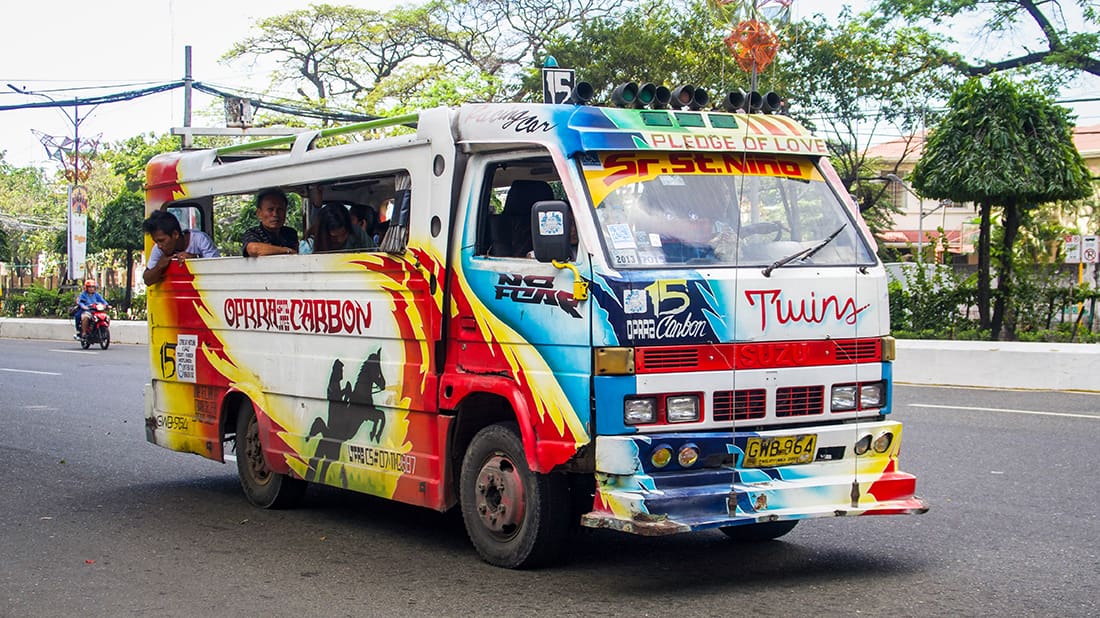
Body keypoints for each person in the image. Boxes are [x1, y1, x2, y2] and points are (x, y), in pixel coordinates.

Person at [141, 210, 220, 285]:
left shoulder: (200, 239)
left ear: (175, 234)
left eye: (162, 240)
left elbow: (216, 270)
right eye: (156, 242)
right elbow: (147, 280)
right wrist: (159, 267)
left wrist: (195, 259)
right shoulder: (158, 248)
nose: (159, 246)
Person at [299, 203, 375, 254]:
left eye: (344, 234)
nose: (340, 240)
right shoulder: (308, 246)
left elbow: (374, 253)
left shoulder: (357, 233)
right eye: (334, 237)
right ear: (323, 234)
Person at [242, 188, 298, 256]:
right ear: (259, 213)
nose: (275, 214)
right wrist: (287, 250)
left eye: (280, 210)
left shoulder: (290, 233)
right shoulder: (253, 233)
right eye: (270, 210)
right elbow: (254, 249)